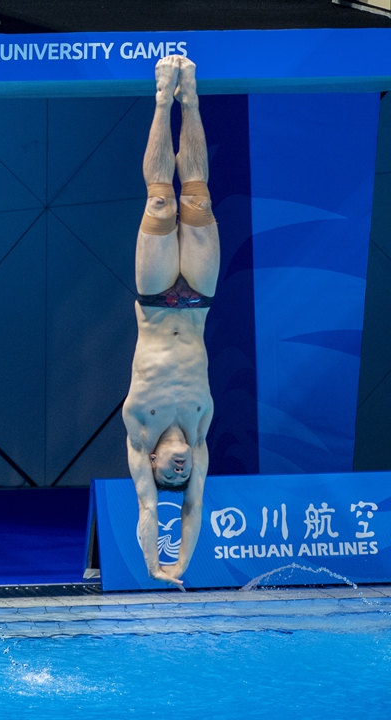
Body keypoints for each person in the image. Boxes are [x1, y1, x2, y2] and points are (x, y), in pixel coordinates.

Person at [123, 55, 218, 588]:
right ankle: (193, 99)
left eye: (168, 475)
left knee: (161, 200)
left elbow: (152, 514)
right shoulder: (200, 437)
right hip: (199, 300)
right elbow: (193, 511)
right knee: (196, 192)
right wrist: (181, 566)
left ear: (153, 462)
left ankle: (162, 99)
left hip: (158, 302)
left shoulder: (140, 434)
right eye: (183, 476)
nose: (179, 474)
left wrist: (155, 563)